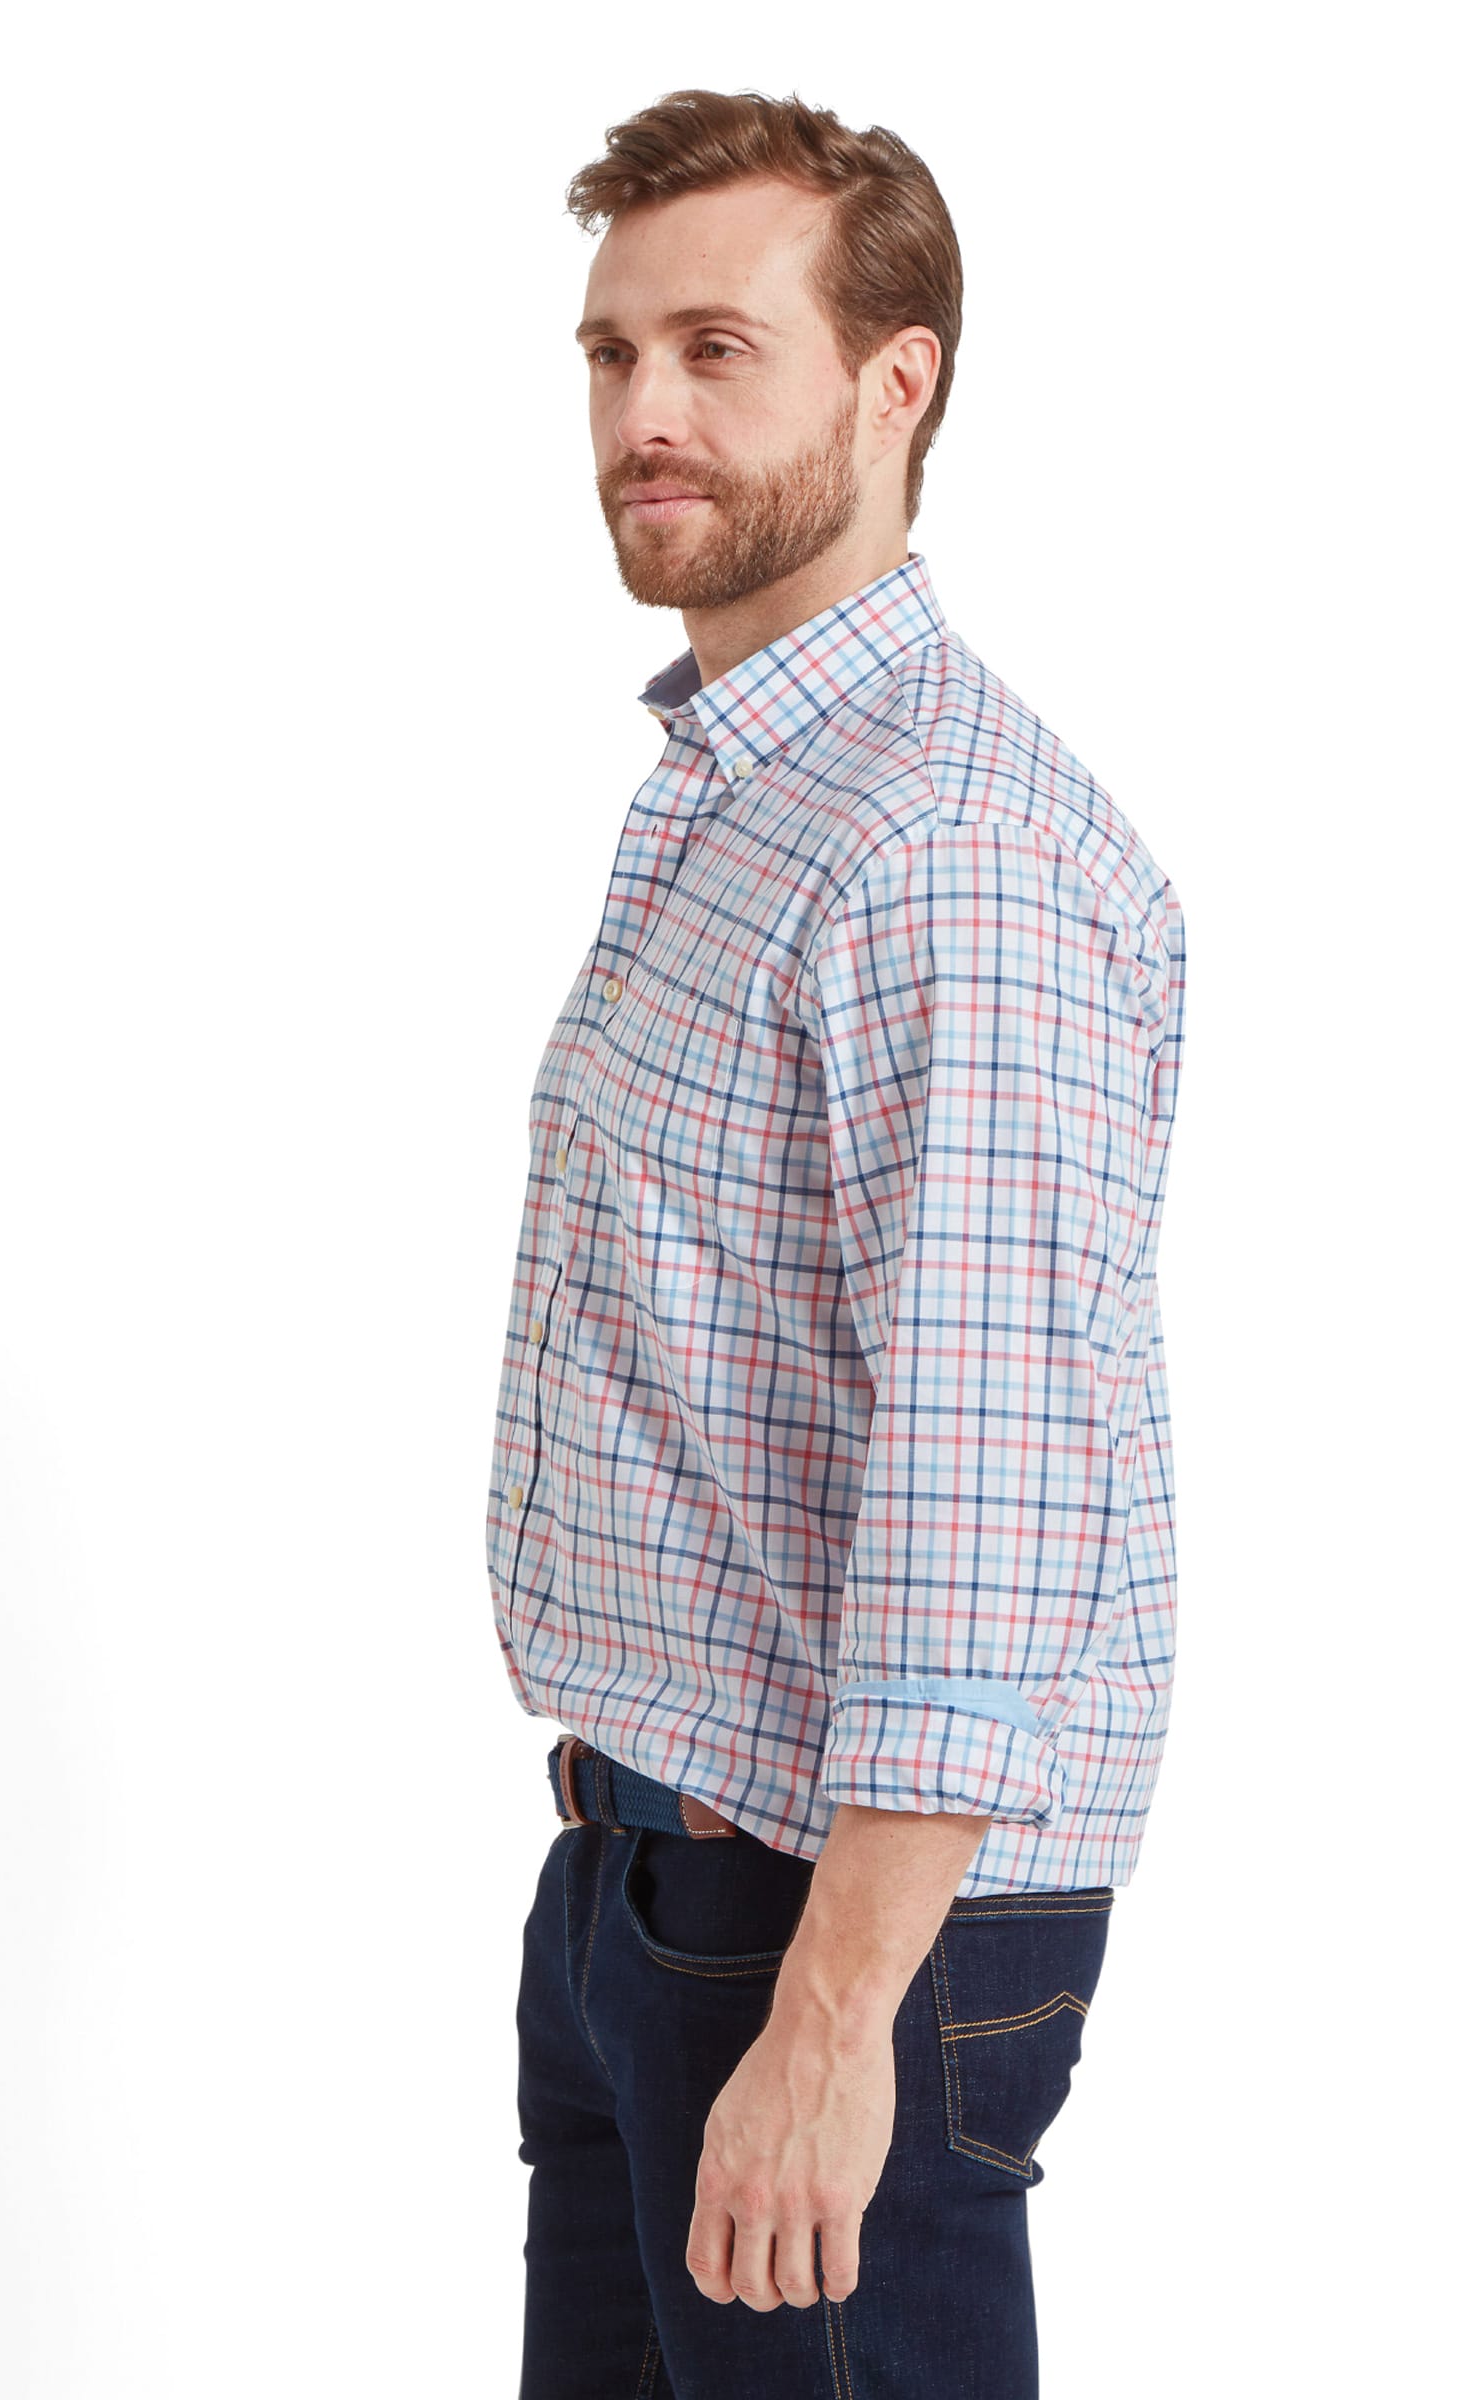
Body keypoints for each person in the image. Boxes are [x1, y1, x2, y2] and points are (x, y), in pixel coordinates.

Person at [486, 85, 1188, 2398]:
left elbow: (984, 1501)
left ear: (898, 384)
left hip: (828, 1928)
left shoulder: (943, 846)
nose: (642, 414)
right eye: (609, 356)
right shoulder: (742, 790)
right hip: (646, 1883)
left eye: (714, 347)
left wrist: (829, 2016)